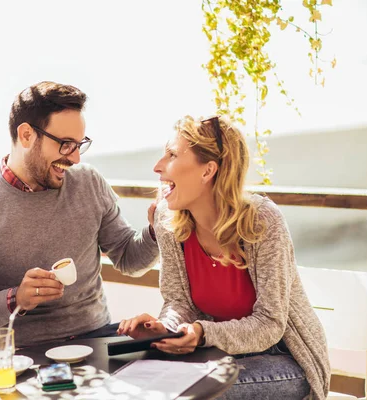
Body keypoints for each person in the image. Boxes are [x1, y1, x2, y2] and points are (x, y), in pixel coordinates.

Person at [118, 116, 330, 400]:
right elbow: (178, 302)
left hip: (284, 358)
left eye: (171, 155)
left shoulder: (262, 222)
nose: (157, 166)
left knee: (192, 392)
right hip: (215, 354)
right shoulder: (167, 220)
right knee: (137, 380)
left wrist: (202, 333)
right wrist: (166, 329)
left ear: (208, 171)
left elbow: (270, 324)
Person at [0, 81, 159, 347]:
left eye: (80, 145)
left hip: (98, 341)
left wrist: (154, 230)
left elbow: (129, 259)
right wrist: (16, 299)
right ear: (26, 135)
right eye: (66, 144)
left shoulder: (88, 182)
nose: (76, 158)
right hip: (27, 357)